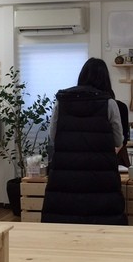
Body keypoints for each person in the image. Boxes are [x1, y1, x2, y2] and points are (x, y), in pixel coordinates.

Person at [41, 58, 128, 225]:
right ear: (105, 78)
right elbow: (118, 140)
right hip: (100, 172)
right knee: (101, 218)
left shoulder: (62, 101)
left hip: (66, 171)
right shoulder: (109, 103)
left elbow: (53, 136)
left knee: (66, 216)